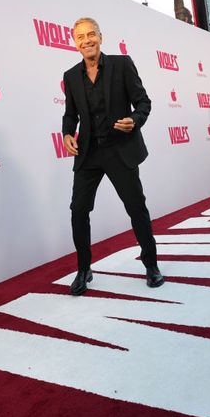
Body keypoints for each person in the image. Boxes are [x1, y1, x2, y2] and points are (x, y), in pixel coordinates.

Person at [62, 17, 165, 295]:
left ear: (100, 36)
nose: (86, 40)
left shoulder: (122, 64)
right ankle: (84, 269)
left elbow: (143, 102)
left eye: (91, 34)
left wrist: (135, 119)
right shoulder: (71, 76)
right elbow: (70, 114)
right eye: (80, 37)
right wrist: (67, 133)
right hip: (89, 154)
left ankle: (151, 264)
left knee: (136, 208)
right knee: (78, 211)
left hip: (120, 150)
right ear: (75, 43)